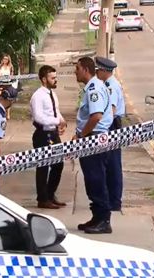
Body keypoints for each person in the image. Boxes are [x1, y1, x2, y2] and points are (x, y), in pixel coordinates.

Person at [74, 56, 113, 234]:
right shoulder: (92, 87)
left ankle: (103, 220)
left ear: (85, 70)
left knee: (96, 178)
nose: (75, 72)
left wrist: (83, 134)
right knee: (92, 179)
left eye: (77, 68)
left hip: (94, 139)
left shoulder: (94, 88)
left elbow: (96, 116)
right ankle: (97, 217)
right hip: (92, 137)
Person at [30, 65, 67, 209]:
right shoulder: (38, 96)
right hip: (42, 134)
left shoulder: (52, 94)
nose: (55, 80)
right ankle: (43, 198)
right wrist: (56, 121)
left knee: (58, 164)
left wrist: (61, 120)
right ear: (44, 79)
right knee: (43, 166)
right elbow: (39, 117)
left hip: (53, 133)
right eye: (53, 78)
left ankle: (50, 194)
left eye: (56, 77)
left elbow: (55, 111)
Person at [95, 56, 125, 212]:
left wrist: (103, 129)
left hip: (111, 125)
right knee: (108, 163)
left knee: (112, 163)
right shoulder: (107, 84)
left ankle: (114, 201)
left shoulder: (111, 87)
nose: (97, 73)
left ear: (104, 71)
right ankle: (111, 198)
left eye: (98, 70)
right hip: (111, 125)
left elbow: (111, 111)